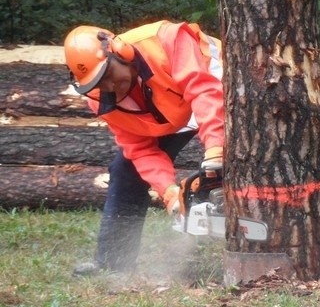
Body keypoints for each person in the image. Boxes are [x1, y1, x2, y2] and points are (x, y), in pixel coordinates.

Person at [64, 20, 225, 275]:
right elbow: (140, 148)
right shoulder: (103, 102)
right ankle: (114, 262)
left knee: (234, 155)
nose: (109, 88)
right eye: (98, 85)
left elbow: (203, 90)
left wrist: (216, 148)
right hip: (170, 113)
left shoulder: (166, 40)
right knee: (126, 169)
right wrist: (170, 193)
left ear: (120, 52)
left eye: (107, 76)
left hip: (222, 94)